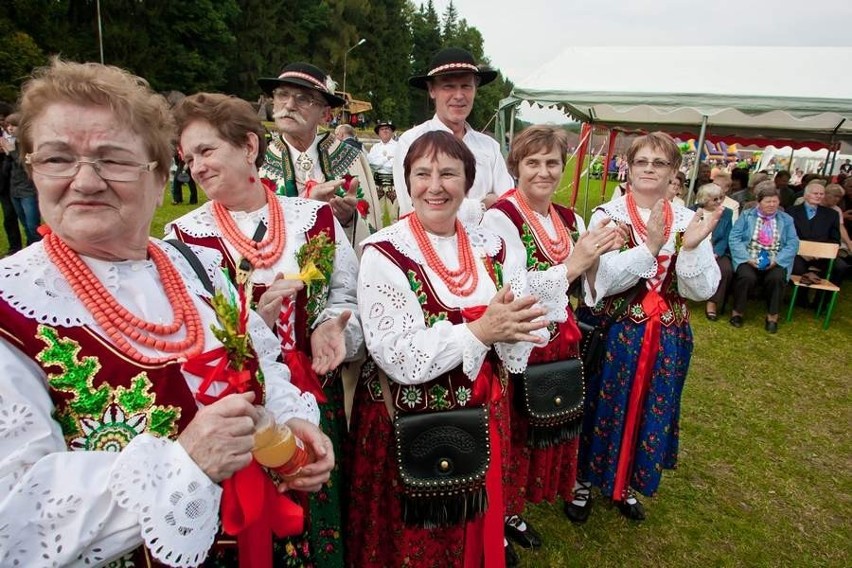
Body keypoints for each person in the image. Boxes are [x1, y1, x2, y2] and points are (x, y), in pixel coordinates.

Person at [0, 58, 334, 567]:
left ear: (159, 178)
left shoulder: (194, 266)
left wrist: (291, 421)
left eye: (111, 159)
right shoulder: (14, 307)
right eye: (56, 158)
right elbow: (15, 519)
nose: (85, 181)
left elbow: (265, 364)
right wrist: (185, 463)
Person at [164, 92, 362, 566]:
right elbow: (188, 337)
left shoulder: (313, 218)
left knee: (318, 512)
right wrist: (256, 326)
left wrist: (326, 328)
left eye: (207, 150)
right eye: (188, 157)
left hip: (315, 393)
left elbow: (346, 296)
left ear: (249, 146)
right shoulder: (182, 239)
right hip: (240, 408)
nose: (196, 166)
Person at [347, 131, 559, 568]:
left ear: (468, 183)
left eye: (449, 173)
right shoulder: (384, 253)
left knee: (473, 526)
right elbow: (396, 354)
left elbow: (520, 327)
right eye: (422, 174)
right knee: (415, 543)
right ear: (408, 182)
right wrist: (480, 331)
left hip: (484, 412)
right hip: (409, 421)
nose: (435, 186)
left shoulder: (494, 246)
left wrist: (516, 331)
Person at [480, 126, 624, 563]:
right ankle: (502, 514)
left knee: (550, 423)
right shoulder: (500, 216)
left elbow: (591, 289)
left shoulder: (570, 217)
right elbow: (512, 287)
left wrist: (602, 257)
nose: (543, 171)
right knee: (516, 432)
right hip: (521, 343)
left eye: (552, 163)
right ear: (516, 166)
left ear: (563, 168)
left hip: (562, 340)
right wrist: (574, 263)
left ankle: (520, 506)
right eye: (532, 162)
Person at [569, 132, 721, 522]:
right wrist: (649, 248)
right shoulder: (609, 215)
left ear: (673, 172)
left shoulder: (689, 220)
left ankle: (626, 484)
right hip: (616, 332)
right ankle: (582, 482)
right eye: (642, 162)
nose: (649, 169)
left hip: (668, 334)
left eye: (660, 163)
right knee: (602, 404)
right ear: (628, 168)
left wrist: (688, 249)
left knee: (653, 405)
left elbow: (702, 289)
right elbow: (602, 282)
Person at [257, 62, 384, 238]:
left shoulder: (351, 158)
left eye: (303, 98)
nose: (289, 105)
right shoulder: (257, 162)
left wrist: (348, 220)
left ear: (325, 114)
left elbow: (369, 230)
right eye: (282, 95)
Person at [393, 47, 514, 225]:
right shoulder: (411, 141)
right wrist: (482, 205)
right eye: (448, 86)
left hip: (484, 250)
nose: (459, 96)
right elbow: (415, 210)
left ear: (475, 89)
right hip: (429, 249)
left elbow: (509, 206)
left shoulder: (489, 147)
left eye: (466, 86)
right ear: (432, 90)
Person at [728, 181, 799, 333]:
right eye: (768, 201)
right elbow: (734, 238)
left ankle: (772, 316)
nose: (772, 204)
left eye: (775, 201)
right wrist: (746, 258)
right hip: (750, 257)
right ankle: (737, 313)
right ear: (759, 202)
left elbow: (793, 243)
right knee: (746, 277)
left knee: (777, 278)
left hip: (775, 258)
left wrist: (778, 260)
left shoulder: (786, 219)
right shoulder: (747, 216)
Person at [787, 182, 847, 286]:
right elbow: (786, 236)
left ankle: (823, 300)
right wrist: (801, 251)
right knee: (797, 266)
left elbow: (835, 239)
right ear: (806, 195)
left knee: (840, 266)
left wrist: (820, 252)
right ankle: (800, 298)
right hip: (798, 253)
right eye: (815, 193)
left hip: (822, 255)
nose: (819, 196)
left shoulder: (832, 215)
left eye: (821, 194)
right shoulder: (791, 211)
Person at [692, 183, 734, 320]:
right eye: (715, 199)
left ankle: (712, 303)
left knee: (726, 269)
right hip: (694, 249)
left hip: (716, 251)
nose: (719, 201)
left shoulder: (727, 213)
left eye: (721, 198)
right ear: (704, 199)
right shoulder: (691, 211)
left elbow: (726, 237)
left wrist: (715, 253)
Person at [2, 113, 41, 246]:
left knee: (32, 226)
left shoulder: (30, 145)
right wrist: (8, 154)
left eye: (13, 125)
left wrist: (11, 152)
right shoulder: (14, 144)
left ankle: (39, 250)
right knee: (25, 224)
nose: (9, 128)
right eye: (7, 125)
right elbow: (8, 169)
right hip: (15, 190)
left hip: (28, 190)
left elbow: (27, 165)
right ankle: (30, 248)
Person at [367, 119, 399, 224]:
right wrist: (387, 158)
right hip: (377, 185)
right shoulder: (375, 148)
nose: (385, 131)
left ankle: (395, 238)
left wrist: (380, 162)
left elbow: (393, 166)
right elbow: (372, 164)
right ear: (378, 132)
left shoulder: (398, 146)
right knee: (377, 214)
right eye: (382, 129)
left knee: (394, 215)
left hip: (393, 185)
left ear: (392, 131)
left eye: (387, 129)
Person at [0, 114, 23, 255]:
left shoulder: (17, 138)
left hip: (17, 182)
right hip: (4, 183)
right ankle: (14, 247)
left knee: (27, 221)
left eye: (3, 120)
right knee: (9, 217)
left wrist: (9, 152)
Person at [823, 183, 852, 251]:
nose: (837, 199)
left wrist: (849, 244)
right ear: (825, 194)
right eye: (835, 196)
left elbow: (841, 227)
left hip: (830, 240)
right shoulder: (813, 204)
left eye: (839, 197)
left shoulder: (837, 210)